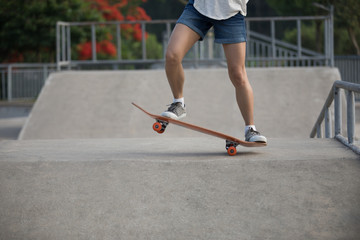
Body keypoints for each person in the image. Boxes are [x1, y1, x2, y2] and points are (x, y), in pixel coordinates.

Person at [161, 0, 267, 143]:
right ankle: (178, 103)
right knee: (172, 56)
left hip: (232, 11)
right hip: (198, 8)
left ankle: (250, 129)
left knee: (238, 74)